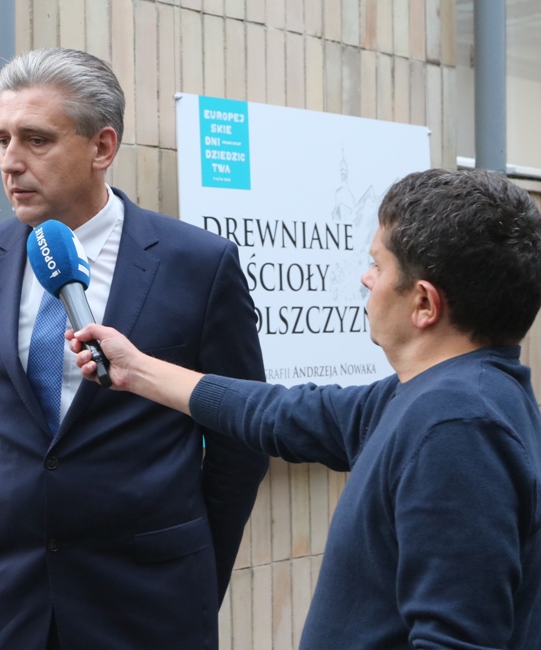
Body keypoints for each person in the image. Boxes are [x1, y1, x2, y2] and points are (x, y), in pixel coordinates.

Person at [69, 168, 541, 649]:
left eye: (378, 265)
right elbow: (280, 414)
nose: (366, 278)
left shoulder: (457, 427)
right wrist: (136, 370)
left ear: (424, 303)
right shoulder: (439, 396)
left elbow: (456, 640)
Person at [0, 47, 268, 649]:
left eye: (36, 140)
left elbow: (239, 441)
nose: (10, 162)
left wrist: (190, 572)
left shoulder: (198, 266)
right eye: (2, 139)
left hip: (147, 603)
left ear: (102, 147)